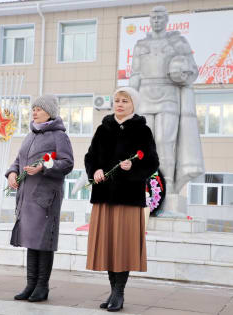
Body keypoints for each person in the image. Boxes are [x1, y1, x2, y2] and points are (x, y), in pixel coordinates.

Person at [84, 87, 159, 312]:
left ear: (133, 105)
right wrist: (94, 171)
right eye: (117, 100)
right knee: (108, 245)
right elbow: (90, 156)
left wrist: (132, 166)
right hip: (104, 195)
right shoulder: (102, 128)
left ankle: (119, 293)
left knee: (122, 246)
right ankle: (112, 290)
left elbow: (152, 162)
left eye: (125, 101)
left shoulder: (142, 131)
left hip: (128, 197)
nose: (120, 104)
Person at [5, 95, 74, 302]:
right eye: (33, 108)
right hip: (27, 197)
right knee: (30, 240)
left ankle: (42, 287)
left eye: (39, 109)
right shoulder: (30, 134)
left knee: (43, 242)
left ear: (50, 112)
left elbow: (67, 163)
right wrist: (11, 173)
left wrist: (43, 167)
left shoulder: (58, 135)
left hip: (45, 197)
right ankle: (30, 285)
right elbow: (18, 160)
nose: (34, 112)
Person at [129, 5, 203, 196]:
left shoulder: (177, 42)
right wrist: (128, 97)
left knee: (164, 141)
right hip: (145, 95)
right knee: (144, 142)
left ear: (167, 19)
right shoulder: (141, 45)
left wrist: (182, 72)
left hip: (168, 95)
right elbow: (135, 75)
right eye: (153, 17)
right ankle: (145, 183)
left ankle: (166, 186)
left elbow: (193, 71)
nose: (156, 21)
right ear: (149, 20)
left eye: (160, 17)